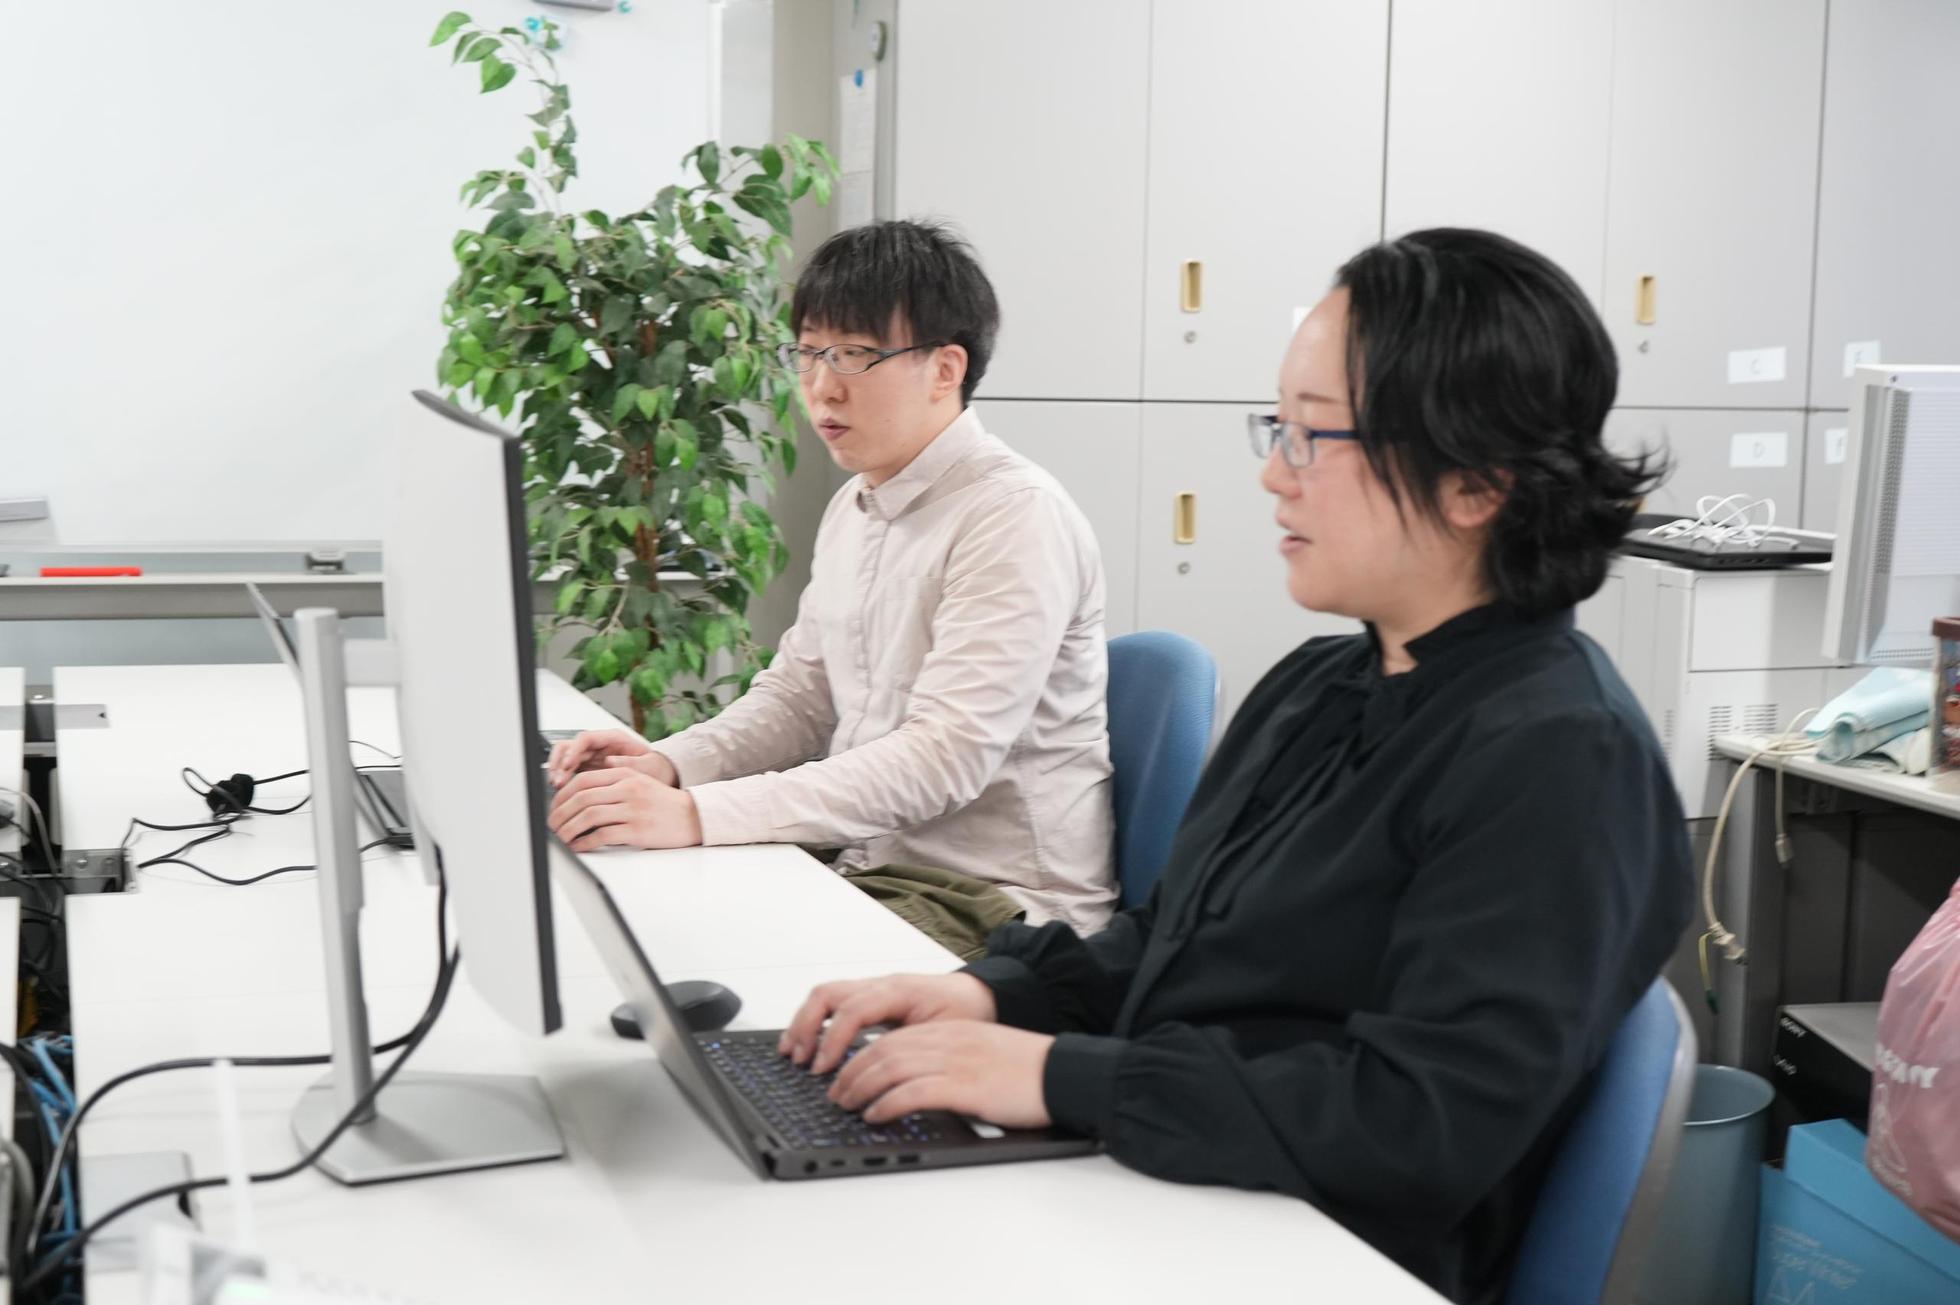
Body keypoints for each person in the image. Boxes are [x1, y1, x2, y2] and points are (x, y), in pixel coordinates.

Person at [777, 229, 1696, 1304]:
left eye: (1314, 435)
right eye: (1277, 429)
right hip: (1183, 1182)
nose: (1273, 473)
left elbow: (1415, 1124)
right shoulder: (1320, 684)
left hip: (1313, 1253)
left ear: (1475, 481)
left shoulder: (1559, 755)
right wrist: (986, 996)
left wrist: (1058, 1075)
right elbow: (1171, 943)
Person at [546, 220, 1117, 954]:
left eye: (855, 354)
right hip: (869, 862)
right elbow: (800, 698)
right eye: (810, 352)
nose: (821, 386)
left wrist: (695, 813)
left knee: (705, 955)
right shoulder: (858, 502)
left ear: (946, 369)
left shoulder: (1014, 516)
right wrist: (668, 763)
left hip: (993, 899)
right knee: (627, 913)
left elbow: (945, 756)